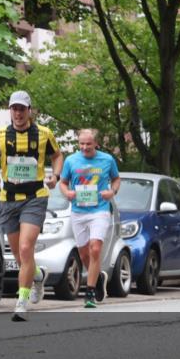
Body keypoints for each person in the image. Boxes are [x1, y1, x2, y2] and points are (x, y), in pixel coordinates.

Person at [0, 91, 63, 321]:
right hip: (8, 198)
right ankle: (37, 276)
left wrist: (55, 177)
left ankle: (21, 302)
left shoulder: (43, 134)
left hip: (35, 197)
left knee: (27, 249)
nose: (18, 113)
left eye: (22, 109)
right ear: (10, 111)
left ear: (30, 111)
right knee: (20, 257)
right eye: (14, 109)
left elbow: (57, 156)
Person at [59, 129, 121, 308]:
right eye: (81, 144)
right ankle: (99, 277)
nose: (85, 147)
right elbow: (63, 182)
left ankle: (90, 292)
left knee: (95, 249)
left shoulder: (107, 160)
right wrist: (67, 193)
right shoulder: (71, 160)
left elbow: (116, 179)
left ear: (96, 144)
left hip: (100, 210)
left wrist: (112, 192)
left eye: (88, 144)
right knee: (84, 253)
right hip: (78, 211)